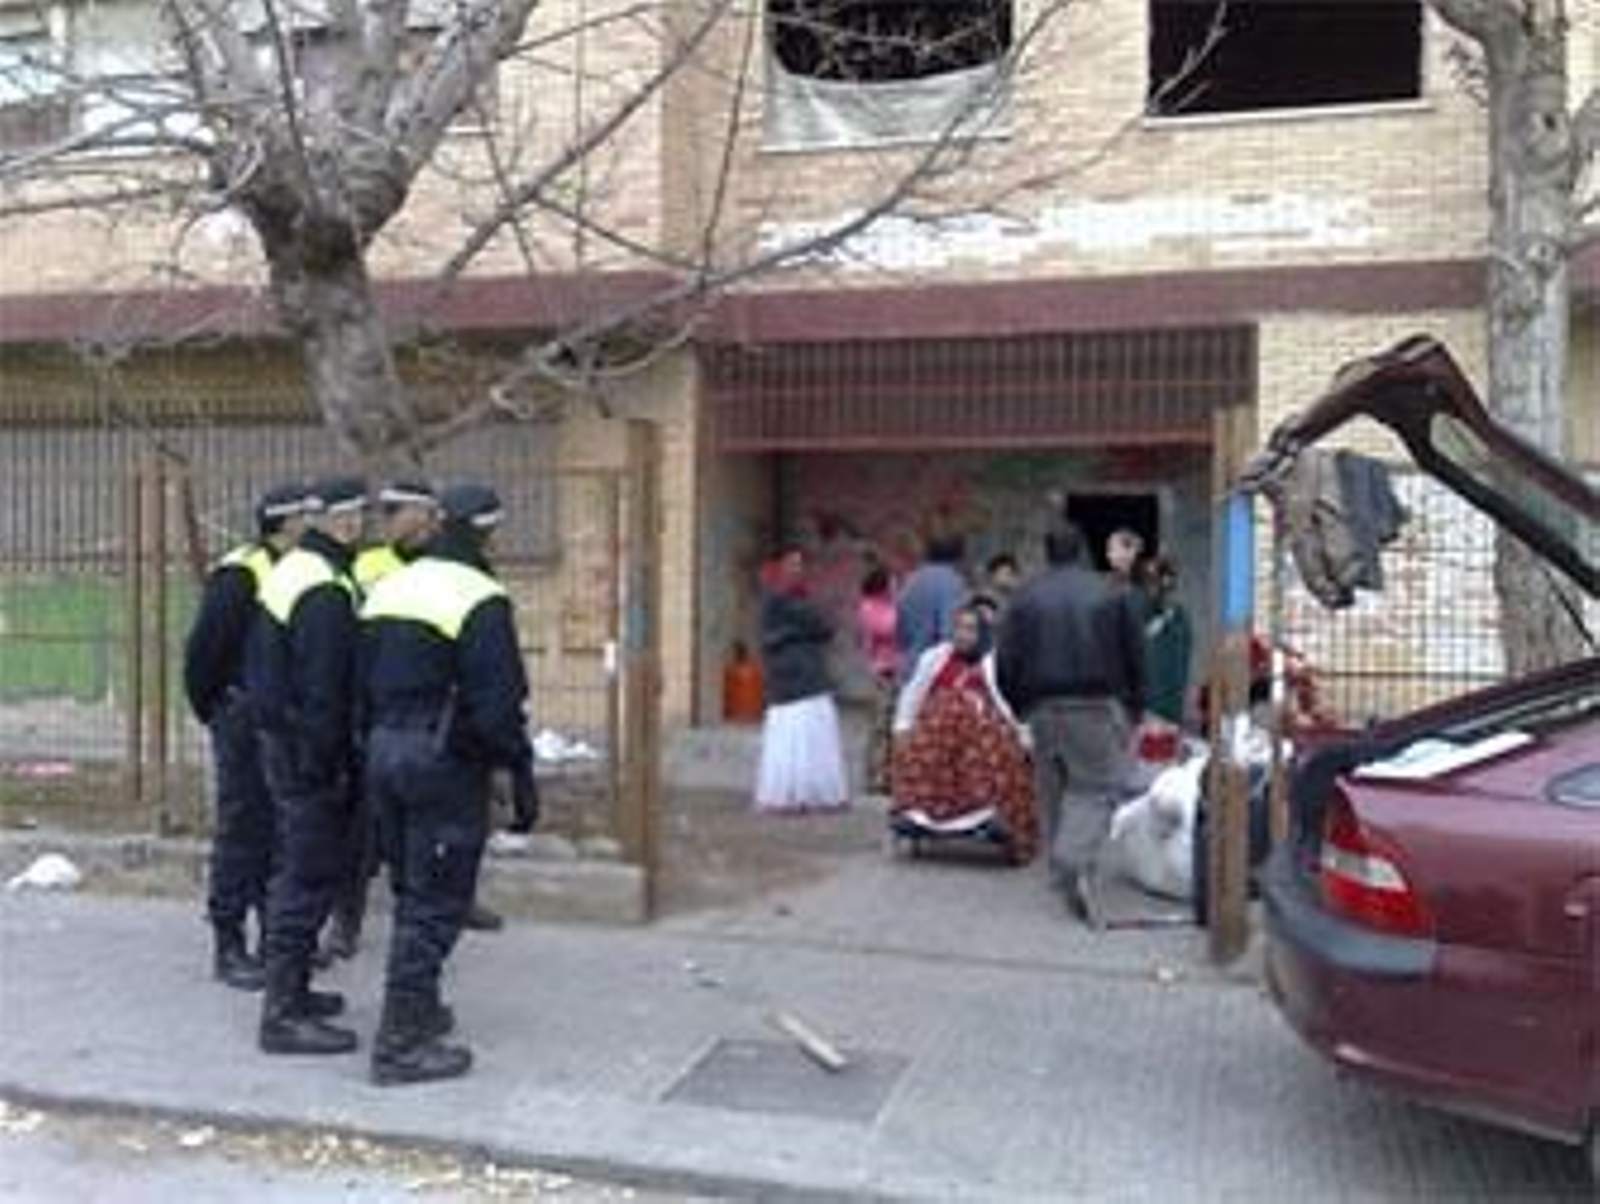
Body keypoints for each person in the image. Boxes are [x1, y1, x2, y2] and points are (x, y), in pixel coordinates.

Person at [362, 484, 538, 1085]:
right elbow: (499, 703)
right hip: (439, 759)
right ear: (487, 533)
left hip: (383, 751)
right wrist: (514, 771)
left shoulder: (392, 585)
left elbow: (358, 680)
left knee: (411, 889)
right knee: (435, 902)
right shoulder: (480, 596)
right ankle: (399, 1045)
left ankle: (421, 1010)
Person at [246, 475, 368, 1055]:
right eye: (357, 516)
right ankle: (283, 1014)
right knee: (308, 874)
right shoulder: (324, 586)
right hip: (306, 753)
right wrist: (329, 762)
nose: (360, 525)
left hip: (282, 741)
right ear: (343, 520)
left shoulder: (296, 568)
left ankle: (293, 990)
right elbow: (324, 687)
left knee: (298, 869)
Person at [183, 482, 309, 991]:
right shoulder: (242, 573)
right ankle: (229, 942)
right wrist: (218, 709)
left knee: (280, 830)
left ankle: (274, 938)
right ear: (287, 522)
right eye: (306, 516)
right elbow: (204, 651)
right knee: (242, 827)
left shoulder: (296, 567)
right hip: (241, 715)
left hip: (278, 717)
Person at [997, 520, 1146, 927]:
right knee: (1097, 786)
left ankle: (1057, 868)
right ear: (1082, 549)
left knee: (1052, 785)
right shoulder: (1111, 592)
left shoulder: (1026, 597)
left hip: (1042, 704)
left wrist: (1018, 705)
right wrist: (1136, 706)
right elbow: (1134, 652)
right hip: (1098, 703)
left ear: (1047, 552)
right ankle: (1072, 861)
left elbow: (1006, 660)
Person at [891, 603, 1038, 864]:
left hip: (983, 735)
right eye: (958, 628)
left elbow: (1010, 706)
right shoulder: (934, 658)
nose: (962, 635)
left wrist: (1024, 737)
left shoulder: (995, 663)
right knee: (947, 712)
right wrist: (902, 728)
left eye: (970, 629)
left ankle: (987, 815)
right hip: (937, 734)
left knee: (979, 730)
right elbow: (912, 695)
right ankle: (918, 814)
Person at [755, 545, 849, 813]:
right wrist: (798, 632)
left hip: (809, 675)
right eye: (791, 564)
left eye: (800, 565)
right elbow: (770, 638)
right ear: (780, 567)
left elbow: (826, 629)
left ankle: (811, 791)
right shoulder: (776, 599)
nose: (796, 570)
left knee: (812, 736)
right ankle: (790, 792)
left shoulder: (802, 598)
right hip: (789, 679)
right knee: (793, 736)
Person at [894, 533, 967, 676]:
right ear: (958, 556)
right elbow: (948, 632)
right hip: (934, 670)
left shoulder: (912, 579)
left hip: (909, 664)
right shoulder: (952, 582)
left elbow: (899, 628)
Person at [855, 564, 898, 797]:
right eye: (892, 582)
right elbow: (882, 631)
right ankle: (873, 777)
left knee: (892, 726)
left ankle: (889, 776)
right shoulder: (869, 607)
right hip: (881, 672)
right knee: (879, 727)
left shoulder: (892, 605)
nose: (896, 586)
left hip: (896, 670)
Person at [1140, 555, 1193, 729]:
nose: (1151, 587)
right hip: (1147, 706)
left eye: (1154, 581)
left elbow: (1182, 662)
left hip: (1169, 707)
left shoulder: (1179, 616)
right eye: (1148, 582)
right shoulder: (1142, 611)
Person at [978, 552, 1022, 617]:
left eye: (1011, 574)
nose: (1008, 579)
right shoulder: (985, 599)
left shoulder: (1012, 598)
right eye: (1005, 574)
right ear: (993, 574)